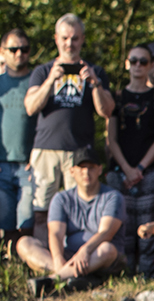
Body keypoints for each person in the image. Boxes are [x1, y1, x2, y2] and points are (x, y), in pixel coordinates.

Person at [24, 14, 116, 227]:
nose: (69, 44)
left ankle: (71, 255)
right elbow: (30, 107)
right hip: (46, 150)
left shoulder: (96, 71)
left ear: (83, 39)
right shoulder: (42, 71)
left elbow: (107, 111)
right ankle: (44, 256)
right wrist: (49, 82)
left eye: (75, 38)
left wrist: (95, 83)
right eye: (65, 38)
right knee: (41, 209)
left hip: (79, 152)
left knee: (75, 210)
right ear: (56, 38)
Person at [16, 150, 123, 294]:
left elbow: (106, 233)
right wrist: (59, 259)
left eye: (91, 167)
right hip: (68, 256)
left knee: (107, 249)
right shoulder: (61, 198)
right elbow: (55, 233)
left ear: (99, 169)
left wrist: (84, 251)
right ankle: (68, 275)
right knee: (24, 243)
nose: (86, 173)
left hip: (97, 255)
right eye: (81, 168)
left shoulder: (112, 197)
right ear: (72, 171)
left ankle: (53, 280)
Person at [110, 43, 154, 272]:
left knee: (146, 228)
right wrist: (127, 169)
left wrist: (141, 167)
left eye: (143, 61)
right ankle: (123, 273)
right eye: (133, 61)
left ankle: (146, 274)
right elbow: (111, 139)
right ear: (127, 64)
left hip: (150, 171)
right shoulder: (116, 97)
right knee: (122, 225)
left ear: (150, 65)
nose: (138, 66)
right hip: (120, 171)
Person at [0, 30, 37, 246]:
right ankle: (10, 266)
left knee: (27, 221)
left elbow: (43, 122)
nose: (19, 54)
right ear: (3, 51)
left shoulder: (35, 80)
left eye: (24, 49)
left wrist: (37, 157)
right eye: (13, 49)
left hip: (28, 165)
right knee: (6, 224)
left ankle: (28, 263)